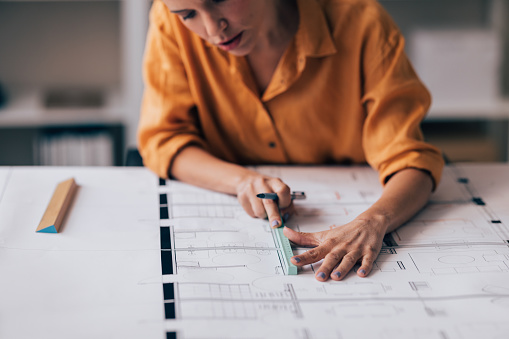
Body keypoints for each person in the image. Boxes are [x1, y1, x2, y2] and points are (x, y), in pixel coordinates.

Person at [137, 0, 444, 282]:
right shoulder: (169, 19)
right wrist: (242, 181)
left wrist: (374, 221)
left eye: (220, 0)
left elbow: (410, 159)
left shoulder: (361, 21)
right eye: (188, 15)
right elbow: (165, 138)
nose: (213, 28)